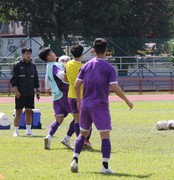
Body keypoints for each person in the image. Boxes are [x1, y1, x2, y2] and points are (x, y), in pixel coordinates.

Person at [70, 38, 133, 174]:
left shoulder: (86, 66)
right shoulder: (109, 68)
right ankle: (104, 166)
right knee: (105, 136)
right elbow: (114, 87)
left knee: (82, 134)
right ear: (106, 51)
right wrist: (127, 100)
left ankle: (75, 159)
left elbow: (76, 85)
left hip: (86, 105)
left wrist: (79, 101)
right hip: (100, 105)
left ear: (93, 51)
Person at [38, 47, 72, 150]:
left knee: (58, 120)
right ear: (48, 57)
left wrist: (49, 89)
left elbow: (47, 84)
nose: (54, 53)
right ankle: (68, 138)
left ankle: (49, 136)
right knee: (78, 116)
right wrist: (67, 68)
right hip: (64, 94)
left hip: (56, 96)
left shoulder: (48, 66)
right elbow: (62, 76)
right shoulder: (55, 66)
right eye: (52, 52)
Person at [63, 45, 93, 150]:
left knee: (77, 119)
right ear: (82, 53)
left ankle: (80, 141)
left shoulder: (68, 64)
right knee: (88, 120)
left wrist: (72, 83)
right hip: (83, 96)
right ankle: (86, 141)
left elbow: (65, 78)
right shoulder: (83, 66)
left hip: (71, 95)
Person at [10, 47, 40, 137]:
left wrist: (37, 90)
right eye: (27, 53)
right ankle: (16, 131)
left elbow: (36, 79)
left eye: (30, 53)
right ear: (23, 54)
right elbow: (13, 79)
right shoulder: (17, 65)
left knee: (29, 111)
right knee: (18, 111)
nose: (28, 55)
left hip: (30, 93)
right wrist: (16, 91)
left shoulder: (33, 66)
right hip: (20, 93)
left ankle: (28, 131)